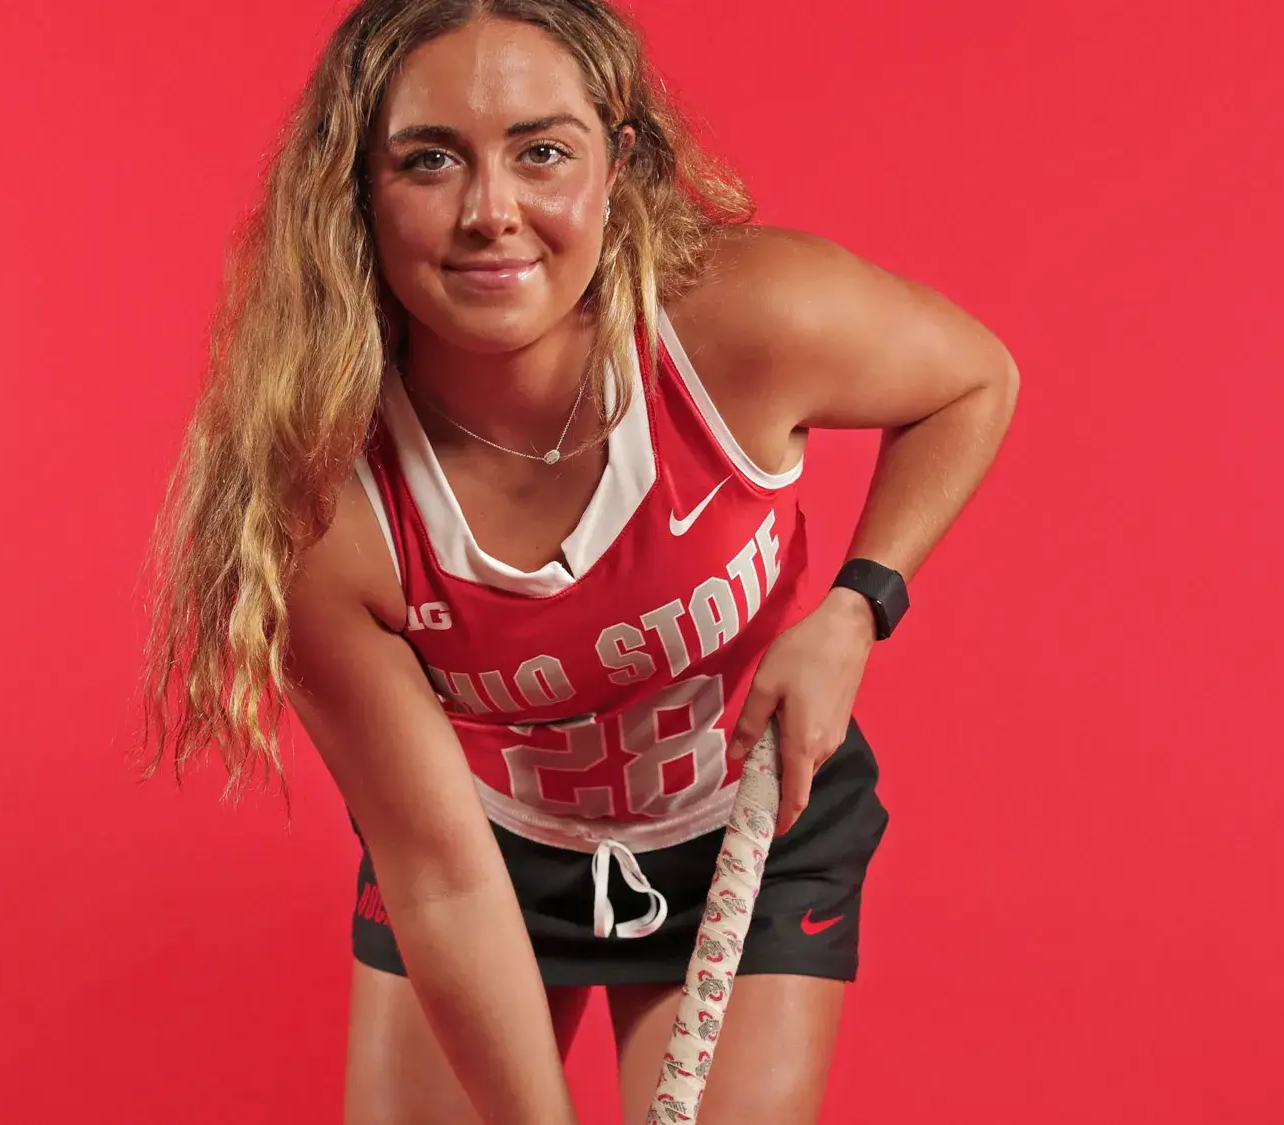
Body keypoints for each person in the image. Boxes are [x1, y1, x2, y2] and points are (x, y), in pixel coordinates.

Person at [138, 2, 1017, 1121]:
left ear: (621, 163)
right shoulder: (316, 500)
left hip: (741, 826)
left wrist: (856, 604)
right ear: (352, 189)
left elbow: (972, 380)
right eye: (428, 160)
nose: (490, 213)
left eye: (542, 152)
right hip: (483, 857)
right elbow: (440, 877)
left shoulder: (744, 321)